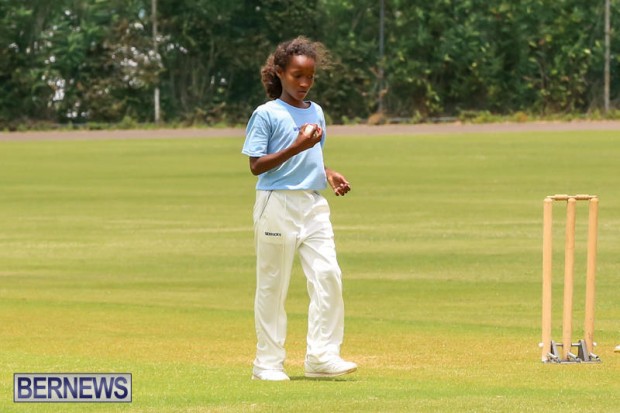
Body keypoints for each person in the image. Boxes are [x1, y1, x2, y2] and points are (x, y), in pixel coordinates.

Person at [241, 36, 357, 381]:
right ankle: (267, 363)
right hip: (276, 203)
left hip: (312, 204)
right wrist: (296, 146)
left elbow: (313, 155)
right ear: (279, 72)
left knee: (328, 275)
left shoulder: (316, 111)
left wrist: (328, 172)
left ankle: (321, 356)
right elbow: (256, 166)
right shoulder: (266, 114)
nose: (304, 83)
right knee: (273, 285)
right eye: (297, 76)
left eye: (310, 77)